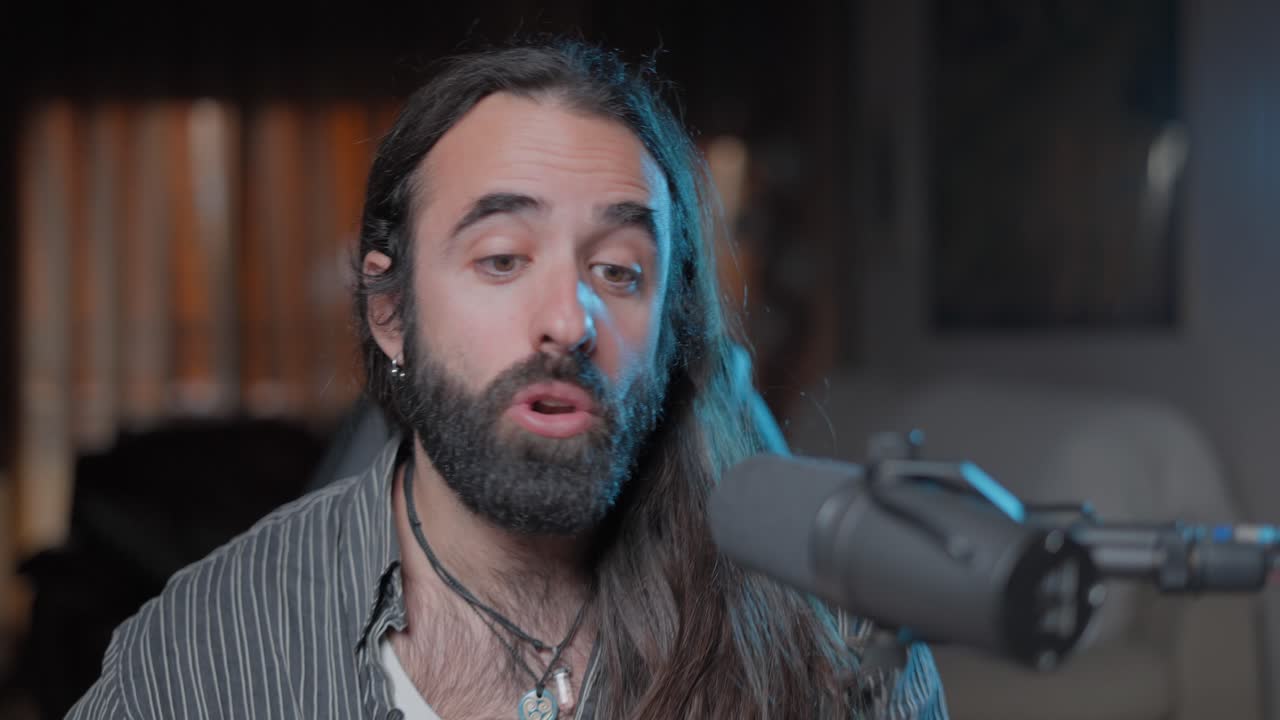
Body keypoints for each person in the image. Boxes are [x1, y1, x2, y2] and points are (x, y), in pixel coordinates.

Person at [69, 39, 947, 719]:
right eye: (501, 259)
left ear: (670, 331)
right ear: (390, 313)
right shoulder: (212, 640)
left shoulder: (835, 632)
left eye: (619, 271)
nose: (568, 320)